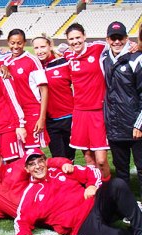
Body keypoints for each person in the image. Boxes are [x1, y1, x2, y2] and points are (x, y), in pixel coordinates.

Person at [14, 149, 142, 235]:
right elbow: (20, 221)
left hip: (94, 204)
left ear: (45, 161)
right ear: (26, 169)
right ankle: (129, 217)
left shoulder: (60, 170)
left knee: (117, 184)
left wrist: (92, 185)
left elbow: (92, 172)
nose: (37, 166)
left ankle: (139, 233)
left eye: (40, 161)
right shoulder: (30, 194)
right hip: (81, 226)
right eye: (32, 164)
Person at [0, 148, 72, 232]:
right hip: (34, 219)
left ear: (1, 159)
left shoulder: (15, 167)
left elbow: (44, 162)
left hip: (51, 205)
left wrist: (63, 163)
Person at [63, 23, 111, 178]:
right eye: (71, 39)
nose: (75, 41)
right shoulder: (67, 56)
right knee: (89, 159)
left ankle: (109, 190)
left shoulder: (97, 49)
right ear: (67, 40)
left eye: (78, 37)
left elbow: (118, 43)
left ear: (84, 37)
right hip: (79, 112)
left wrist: (134, 46)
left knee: (101, 160)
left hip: (98, 111)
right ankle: (97, 190)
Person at [102, 21, 142, 196]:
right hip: (115, 127)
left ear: (127, 38)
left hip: (136, 127)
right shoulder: (104, 59)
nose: (117, 41)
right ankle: (127, 208)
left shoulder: (137, 58)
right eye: (113, 38)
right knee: (121, 172)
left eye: (120, 38)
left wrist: (139, 124)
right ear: (107, 39)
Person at [32, 34, 75, 161]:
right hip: (50, 121)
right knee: (58, 158)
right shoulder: (35, 66)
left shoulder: (63, 62)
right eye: (36, 48)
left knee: (70, 156)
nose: (40, 51)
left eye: (43, 47)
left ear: (50, 46)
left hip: (69, 117)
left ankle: (72, 180)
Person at [5, 29, 49, 150]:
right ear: (8, 42)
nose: (16, 46)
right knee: (19, 153)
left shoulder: (32, 61)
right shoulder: (6, 61)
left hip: (32, 112)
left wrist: (41, 118)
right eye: (12, 43)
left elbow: (44, 90)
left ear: (24, 43)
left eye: (19, 43)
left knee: (33, 153)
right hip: (16, 115)